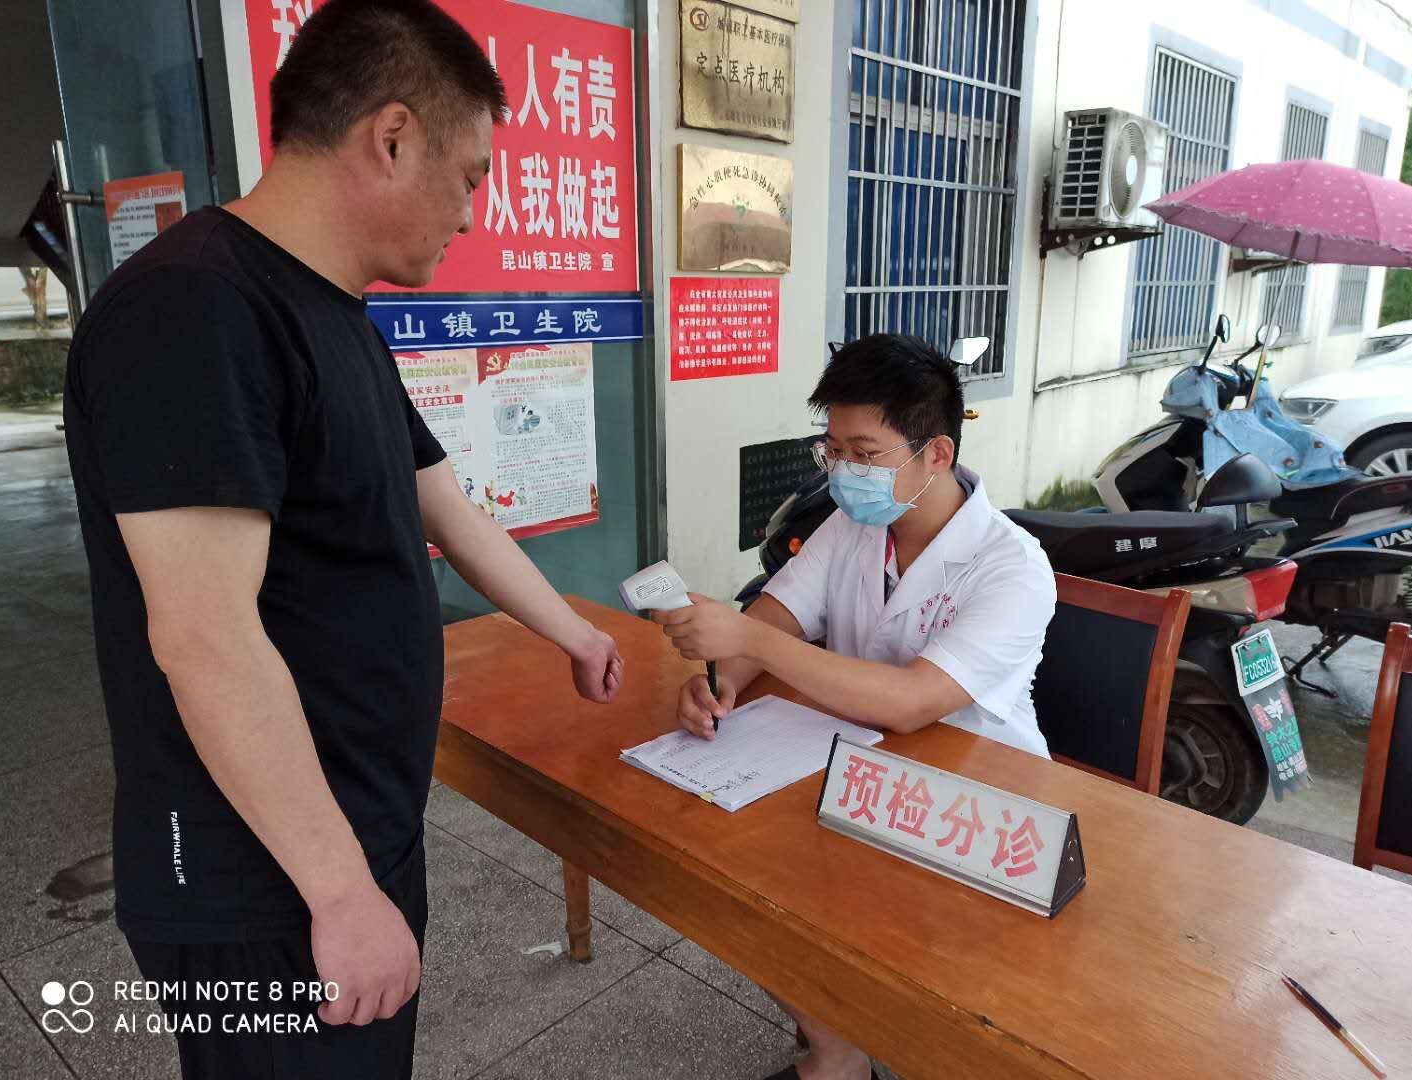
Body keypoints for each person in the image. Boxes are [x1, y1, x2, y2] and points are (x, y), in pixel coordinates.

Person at [62, 2, 622, 1077]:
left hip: (347, 830)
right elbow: (205, 639)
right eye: (470, 176)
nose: (472, 214)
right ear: (393, 137)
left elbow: (446, 507)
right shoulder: (193, 311)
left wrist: (574, 633)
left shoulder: (335, 313)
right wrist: (339, 893)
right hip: (261, 876)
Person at [653, 332, 1055, 1080]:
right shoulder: (854, 527)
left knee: (810, 898)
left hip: (977, 805)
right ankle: (836, 1054)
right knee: (727, 877)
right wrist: (722, 679)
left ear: (936, 455)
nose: (843, 472)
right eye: (832, 450)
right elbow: (775, 617)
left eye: (864, 454)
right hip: (856, 772)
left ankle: (860, 1042)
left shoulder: (1012, 568)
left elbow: (912, 703)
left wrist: (750, 640)